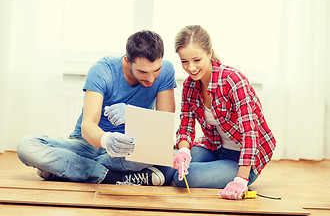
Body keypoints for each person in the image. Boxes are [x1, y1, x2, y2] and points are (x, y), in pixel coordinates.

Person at [17, 30, 177, 186]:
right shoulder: (102, 71)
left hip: (128, 148)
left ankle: (69, 169)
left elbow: (163, 124)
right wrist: (107, 139)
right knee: (27, 147)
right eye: (142, 71)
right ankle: (111, 177)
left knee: (160, 152)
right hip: (87, 145)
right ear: (128, 61)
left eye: (156, 70)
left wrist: (133, 115)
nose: (150, 78)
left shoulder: (166, 71)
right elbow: (88, 126)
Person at [172, 25, 276, 200]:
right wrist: (183, 150)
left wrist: (241, 179)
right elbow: (185, 125)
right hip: (216, 147)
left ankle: (238, 174)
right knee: (172, 163)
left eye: (197, 60)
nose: (191, 68)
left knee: (182, 178)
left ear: (209, 53)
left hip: (243, 158)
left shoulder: (234, 81)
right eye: (184, 61)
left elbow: (251, 133)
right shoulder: (190, 85)